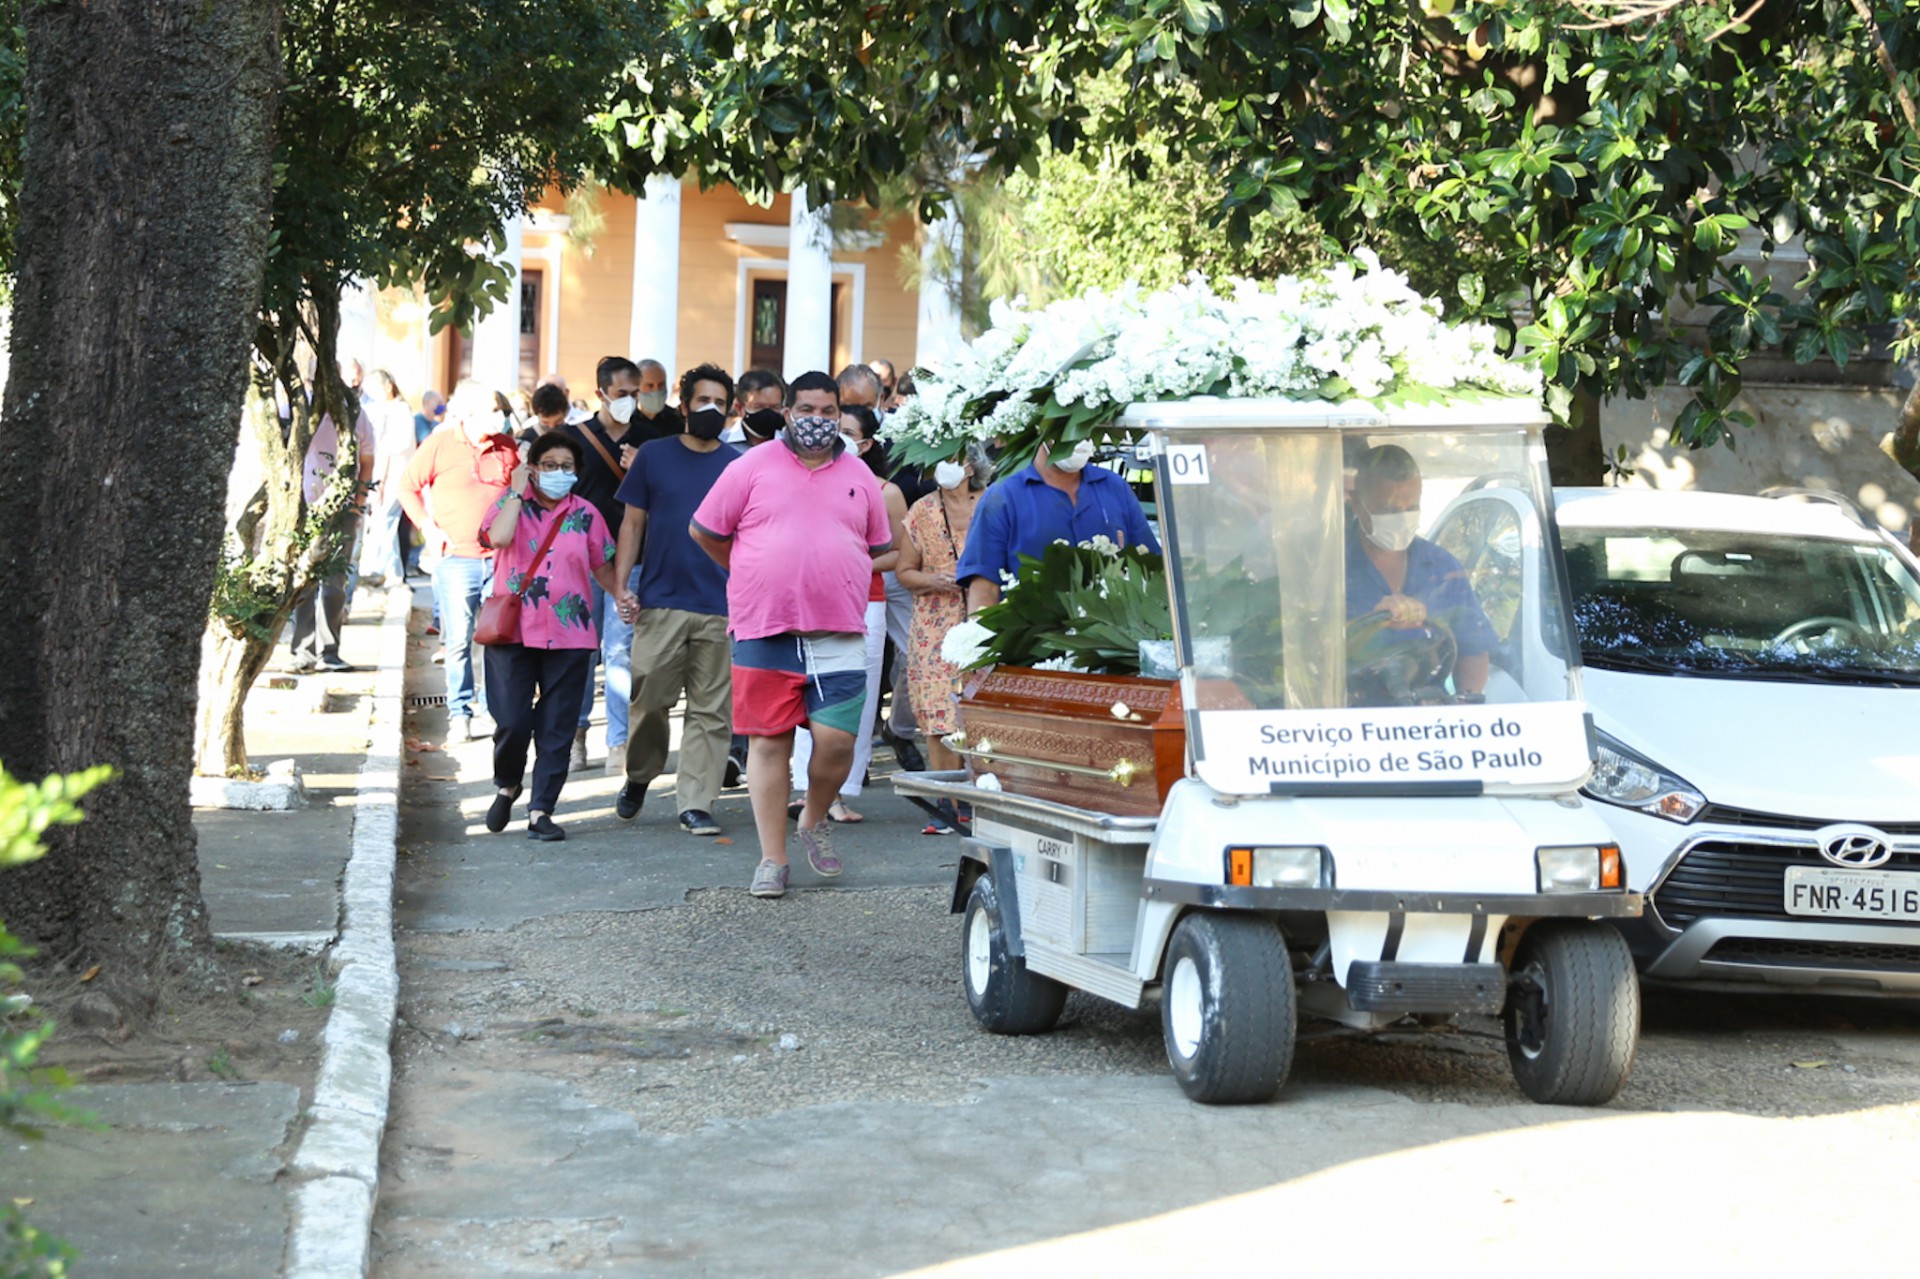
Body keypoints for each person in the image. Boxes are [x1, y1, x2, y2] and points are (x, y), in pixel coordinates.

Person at [689, 371, 892, 899]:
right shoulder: (751, 466)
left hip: (839, 631)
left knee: (836, 744)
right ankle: (772, 859)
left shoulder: (860, 474)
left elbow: (873, 544)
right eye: (806, 410)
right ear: (787, 413)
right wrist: (751, 570)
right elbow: (706, 531)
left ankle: (814, 817)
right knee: (769, 743)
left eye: (828, 413)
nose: (817, 422)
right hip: (764, 627)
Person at [611, 363, 739, 836]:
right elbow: (632, 524)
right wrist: (622, 586)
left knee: (711, 710)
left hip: (722, 605)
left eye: (720, 404)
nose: (711, 410)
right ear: (682, 406)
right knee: (649, 700)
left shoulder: (738, 465)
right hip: (661, 598)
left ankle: (696, 802)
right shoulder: (653, 456)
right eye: (703, 401)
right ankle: (640, 775)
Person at [477, 433, 621, 841]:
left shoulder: (587, 514)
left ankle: (541, 810)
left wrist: (624, 598)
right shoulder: (509, 506)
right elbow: (498, 538)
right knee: (512, 720)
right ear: (532, 467)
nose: (558, 473)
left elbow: (602, 566)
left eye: (566, 466)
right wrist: (516, 492)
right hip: (511, 632)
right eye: (549, 465)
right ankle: (507, 783)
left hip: (571, 634)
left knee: (557, 727)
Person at [788, 405, 909, 823]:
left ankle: (837, 793)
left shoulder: (886, 491)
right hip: (810, 603)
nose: (833, 435)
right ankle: (805, 790)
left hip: (865, 603)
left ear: (867, 443)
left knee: (854, 700)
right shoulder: (808, 481)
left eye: (846, 431)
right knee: (806, 696)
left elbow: (899, 552)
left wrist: (853, 562)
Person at [399, 380, 520, 740]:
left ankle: (488, 707)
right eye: (491, 409)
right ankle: (459, 711)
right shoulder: (440, 444)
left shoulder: (507, 448)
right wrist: (428, 528)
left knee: (496, 639)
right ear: (469, 413)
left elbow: (519, 494)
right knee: (459, 640)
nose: (499, 416)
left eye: (500, 409)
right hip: (456, 559)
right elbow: (406, 486)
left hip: (500, 560)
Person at [1345, 444, 1496, 700]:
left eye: (1411, 507)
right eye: (1390, 510)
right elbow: (1304, 650)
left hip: (1424, 720)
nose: (1402, 519)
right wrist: (1371, 622)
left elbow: (1473, 650)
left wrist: (1464, 708)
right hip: (1343, 720)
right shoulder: (1329, 568)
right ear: (1357, 503)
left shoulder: (1444, 569)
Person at [561, 355, 649, 772]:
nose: (630, 402)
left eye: (636, 393)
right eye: (621, 394)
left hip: (634, 562)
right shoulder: (574, 438)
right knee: (582, 651)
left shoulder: (651, 440)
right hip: (582, 563)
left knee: (620, 650)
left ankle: (619, 741)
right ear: (600, 394)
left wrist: (641, 468)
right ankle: (576, 736)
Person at [955, 438, 1161, 614]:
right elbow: (984, 587)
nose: (1079, 438)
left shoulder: (1114, 487)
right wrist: (981, 648)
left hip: (1113, 641)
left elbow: (1149, 566)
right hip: (1031, 650)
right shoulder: (1003, 495)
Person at [897, 442, 990, 775]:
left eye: (952, 460)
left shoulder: (993, 503)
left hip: (987, 620)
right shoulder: (921, 510)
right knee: (938, 716)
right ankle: (945, 803)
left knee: (985, 712)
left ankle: (983, 797)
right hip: (934, 627)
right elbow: (904, 571)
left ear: (971, 466)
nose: (943, 468)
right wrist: (934, 579)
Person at [289, 394, 376, 673]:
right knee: (304, 580)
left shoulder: (356, 414)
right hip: (304, 505)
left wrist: (358, 503)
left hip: (343, 507)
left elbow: (367, 460)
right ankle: (303, 650)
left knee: (335, 582)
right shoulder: (298, 408)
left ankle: (329, 652)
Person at [359, 369, 416, 587]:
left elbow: (391, 449)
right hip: (382, 473)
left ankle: (392, 572)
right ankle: (384, 569)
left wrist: (381, 480)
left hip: (394, 474)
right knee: (381, 523)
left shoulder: (400, 411)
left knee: (386, 521)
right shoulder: (379, 409)